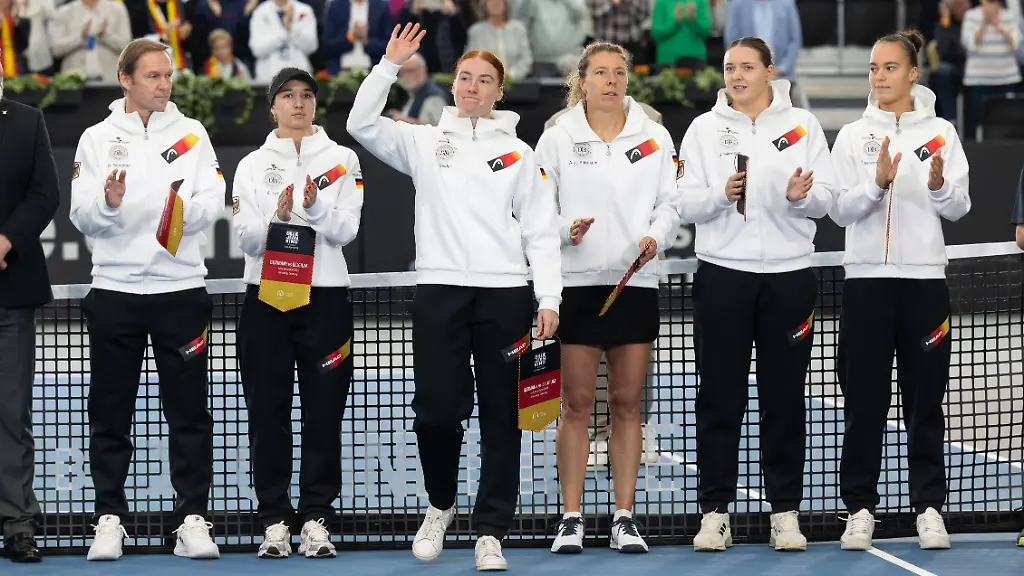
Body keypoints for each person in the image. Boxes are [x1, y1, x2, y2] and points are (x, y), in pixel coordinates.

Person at [347, 23, 562, 571]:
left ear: (498, 91)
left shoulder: (519, 152)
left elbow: (540, 230)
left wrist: (550, 298)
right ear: (455, 82)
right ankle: (439, 508)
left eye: (483, 80)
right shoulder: (422, 140)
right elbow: (359, 122)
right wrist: (389, 64)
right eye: (464, 77)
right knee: (437, 414)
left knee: (502, 416)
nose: (471, 87)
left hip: (505, 296)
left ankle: (491, 530)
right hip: (440, 293)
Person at [677, 35, 836, 552]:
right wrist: (720, 195)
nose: (736, 76)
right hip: (723, 276)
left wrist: (802, 196)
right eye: (729, 67)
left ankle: (784, 513)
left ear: (771, 71)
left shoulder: (803, 125)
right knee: (718, 398)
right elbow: (684, 203)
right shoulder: (703, 129)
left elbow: (826, 201)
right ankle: (714, 513)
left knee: (785, 400)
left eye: (747, 67)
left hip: (790, 278)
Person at [68, 39, 224, 562]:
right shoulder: (95, 139)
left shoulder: (191, 132)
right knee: (110, 410)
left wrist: (177, 213)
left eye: (168, 75)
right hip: (114, 293)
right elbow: (81, 215)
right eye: (153, 76)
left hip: (180, 293)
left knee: (189, 412)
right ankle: (109, 518)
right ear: (125, 79)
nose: (164, 84)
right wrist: (109, 205)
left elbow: (212, 201)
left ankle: (192, 519)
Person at [537, 41, 683, 555]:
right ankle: (571, 518)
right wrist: (563, 229)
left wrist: (656, 237)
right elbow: (537, 212)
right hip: (576, 287)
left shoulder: (656, 136)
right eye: (600, 72)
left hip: (634, 284)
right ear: (583, 80)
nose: (611, 81)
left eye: (619, 73)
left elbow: (671, 202)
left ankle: (624, 517)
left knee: (626, 403)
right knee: (575, 405)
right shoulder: (556, 138)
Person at [829, 29, 970, 552]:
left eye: (889, 67)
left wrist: (937, 186)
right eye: (873, 68)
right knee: (863, 402)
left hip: (925, 285)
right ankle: (860, 509)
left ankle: (929, 509)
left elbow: (960, 207)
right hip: (867, 284)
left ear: (913, 73)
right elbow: (839, 210)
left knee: (924, 403)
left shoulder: (942, 134)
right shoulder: (849, 137)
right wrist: (877, 184)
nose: (879, 76)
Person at [231, 67, 363, 560]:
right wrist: (278, 217)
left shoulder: (343, 159)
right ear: (273, 106)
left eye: (307, 95)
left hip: (325, 299)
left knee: (324, 414)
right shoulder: (250, 165)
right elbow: (244, 237)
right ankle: (274, 521)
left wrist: (315, 209)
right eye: (288, 96)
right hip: (266, 299)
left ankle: (316, 518)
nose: (298, 104)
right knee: (268, 413)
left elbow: (346, 230)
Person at [0, 54, 59, 565]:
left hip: (11, 291)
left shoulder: (27, 120)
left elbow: (45, 195)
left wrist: (4, 242)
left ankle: (18, 525)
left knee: (11, 414)